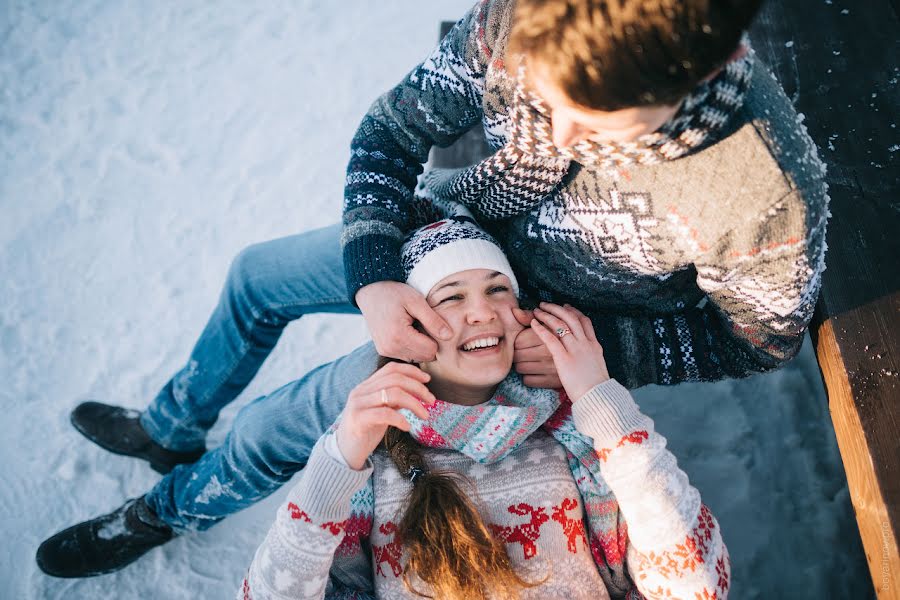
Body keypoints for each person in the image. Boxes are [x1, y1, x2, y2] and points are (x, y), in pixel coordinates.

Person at [37, 0, 828, 578]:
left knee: (295, 421)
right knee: (256, 276)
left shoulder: (760, 193)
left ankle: (164, 510)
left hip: (506, 336)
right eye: (541, 105)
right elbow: (392, 129)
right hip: (432, 238)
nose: (553, 139)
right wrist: (375, 273)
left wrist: (596, 353)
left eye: (593, 128)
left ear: (698, 71)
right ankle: (174, 425)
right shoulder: (530, 20)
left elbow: (759, 340)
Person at [239, 218, 730, 599]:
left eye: (499, 289)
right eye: (450, 297)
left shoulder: (579, 436)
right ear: (407, 331)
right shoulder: (372, 463)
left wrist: (600, 399)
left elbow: (697, 583)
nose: (483, 311)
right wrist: (338, 459)